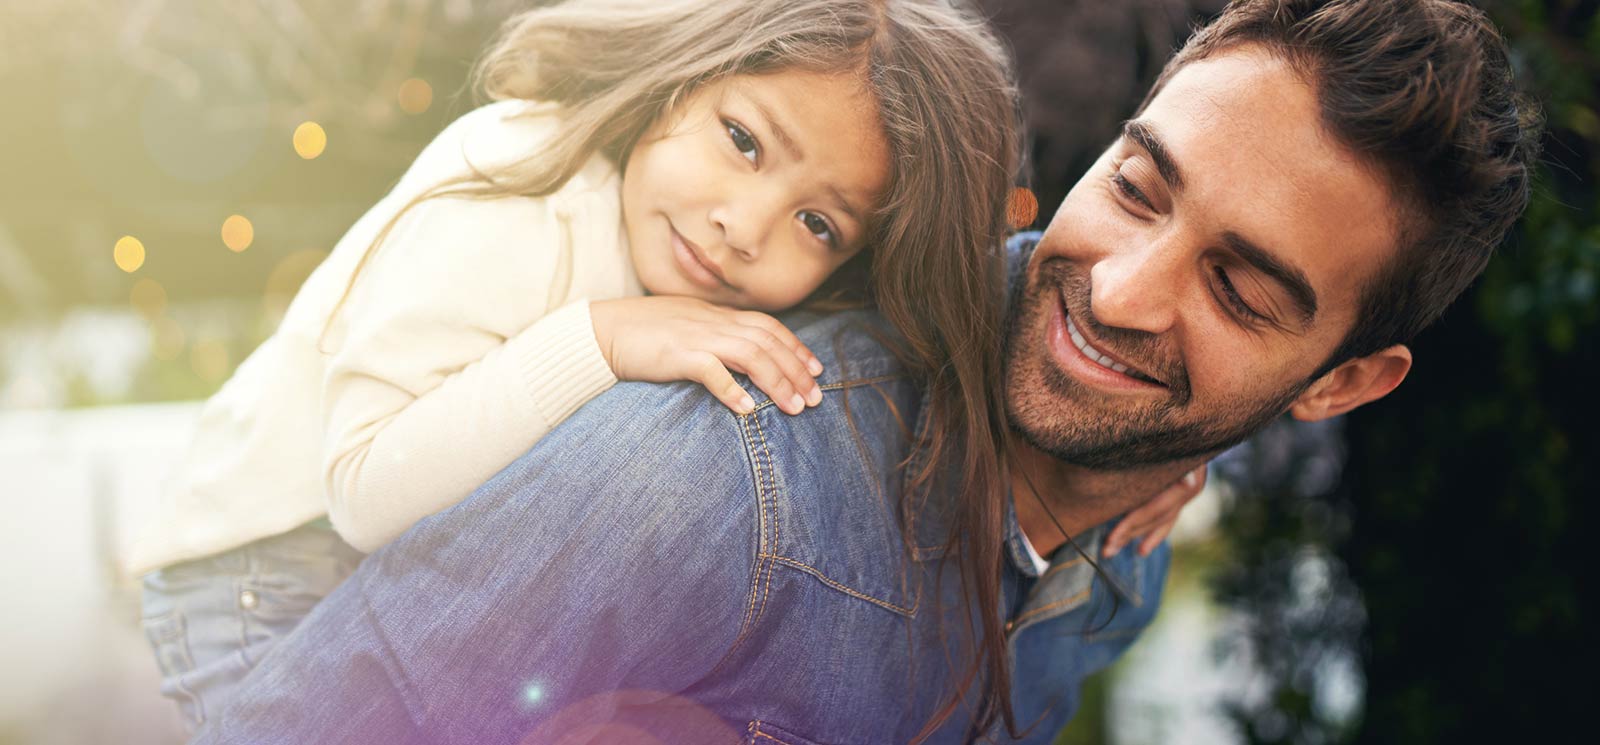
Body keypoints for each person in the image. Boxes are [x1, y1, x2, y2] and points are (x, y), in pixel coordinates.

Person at [196, 0, 1541, 743]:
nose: (1123, 293)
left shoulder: (1122, 548)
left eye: (1241, 289)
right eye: (1135, 187)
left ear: (1341, 385)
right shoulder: (715, 473)